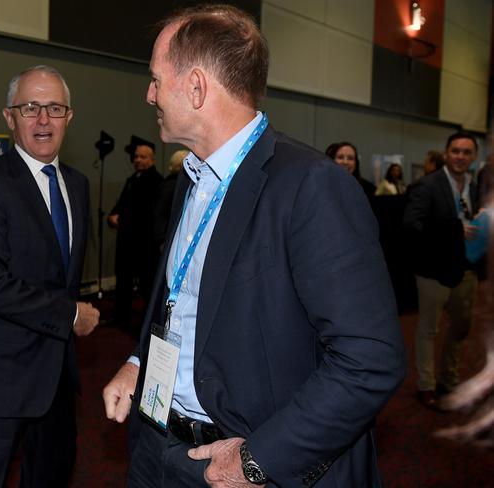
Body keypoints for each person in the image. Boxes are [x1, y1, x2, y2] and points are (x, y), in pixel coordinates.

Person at [103, 6, 406, 488]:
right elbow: (180, 299)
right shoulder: (191, 179)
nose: (149, 94)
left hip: (240, 468)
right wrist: (140, 363)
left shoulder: (311, 186)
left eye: (156, 80)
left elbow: (369, 359)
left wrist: (257, 460)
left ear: (197, 87)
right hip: (157, 443)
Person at [0, 65, 100, 487]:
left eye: (54, 108)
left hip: (57, 380)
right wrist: (70, 315)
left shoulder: (79, 185)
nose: (44, 120)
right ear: (9, 117)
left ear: (70, 116)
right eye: (31, 107)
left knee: (51, 476)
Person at [403, 132, 481, 411]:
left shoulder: (476, 186)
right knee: (428, 330)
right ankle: (427, 385)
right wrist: (454, 228)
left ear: (474, 157)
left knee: (461, 328)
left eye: (467, 152)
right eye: (456, 151)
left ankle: (450, 379)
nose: (460, 156)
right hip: (433, 271)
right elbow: (412, 226)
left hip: (466, 270)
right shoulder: (427, 185)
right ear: (446, 153)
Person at [107, 139, 163, 326]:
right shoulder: (132, 180)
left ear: (152, 159)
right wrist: (113, 215)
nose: (138, 160)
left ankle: (147, 325)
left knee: (147, 285)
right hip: (126, 240)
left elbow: (150, 213)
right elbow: (122, 204)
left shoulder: (157, 182)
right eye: (136, 156)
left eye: (143, 157)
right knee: (123, 280)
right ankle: (120, 317)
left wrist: (123, 219)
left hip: (144, 243)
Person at [154, 149, 189, 249]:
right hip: (167, 239)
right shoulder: (173, 185)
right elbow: (160, 213)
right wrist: (162, 239)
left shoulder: (169, 183)